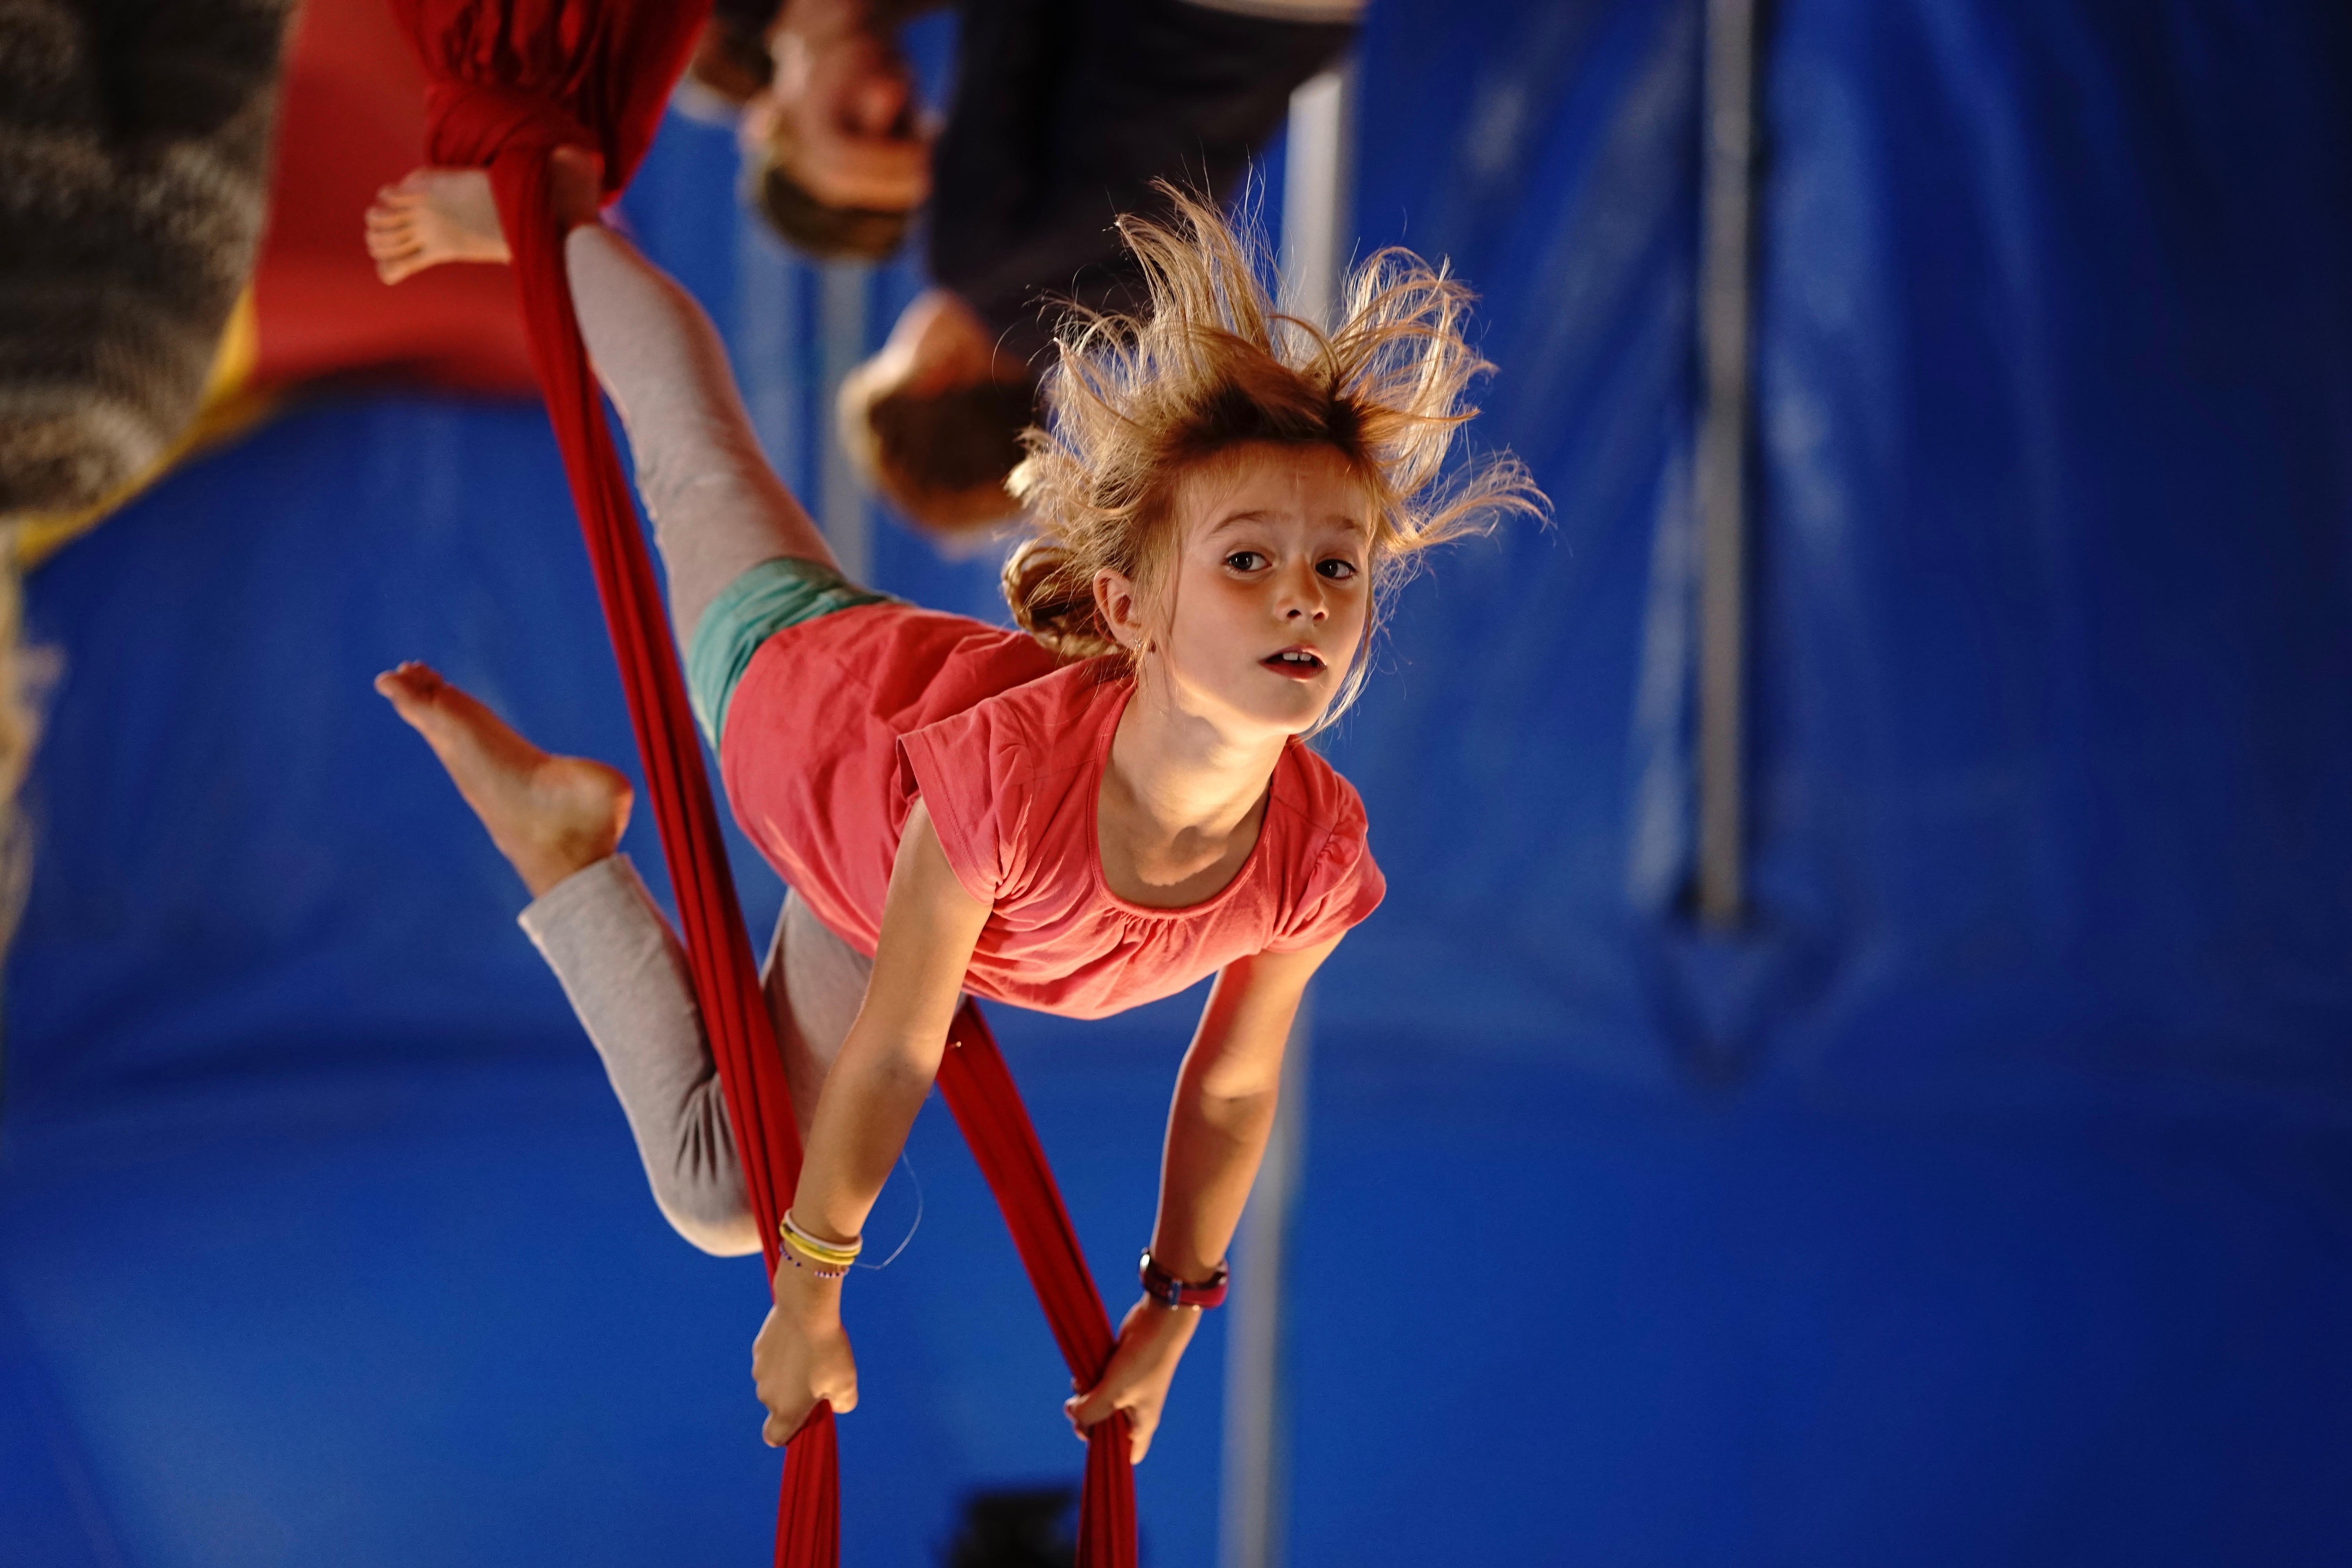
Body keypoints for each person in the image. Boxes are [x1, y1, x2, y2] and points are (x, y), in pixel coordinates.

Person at [363, 155, 1534, 1457]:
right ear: (1131, 611)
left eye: (1337, 567)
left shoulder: (1314, 860)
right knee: (691, 454)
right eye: (1247, 561)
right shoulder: (1015, 789)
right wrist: (811, 1302)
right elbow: (900, 1052)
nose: (1302, 596)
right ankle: (544, 224)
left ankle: (564, 841)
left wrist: (1172, 1313)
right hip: (801, 701)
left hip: (881, 893)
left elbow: (1227, 1094)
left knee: (718, 1194)